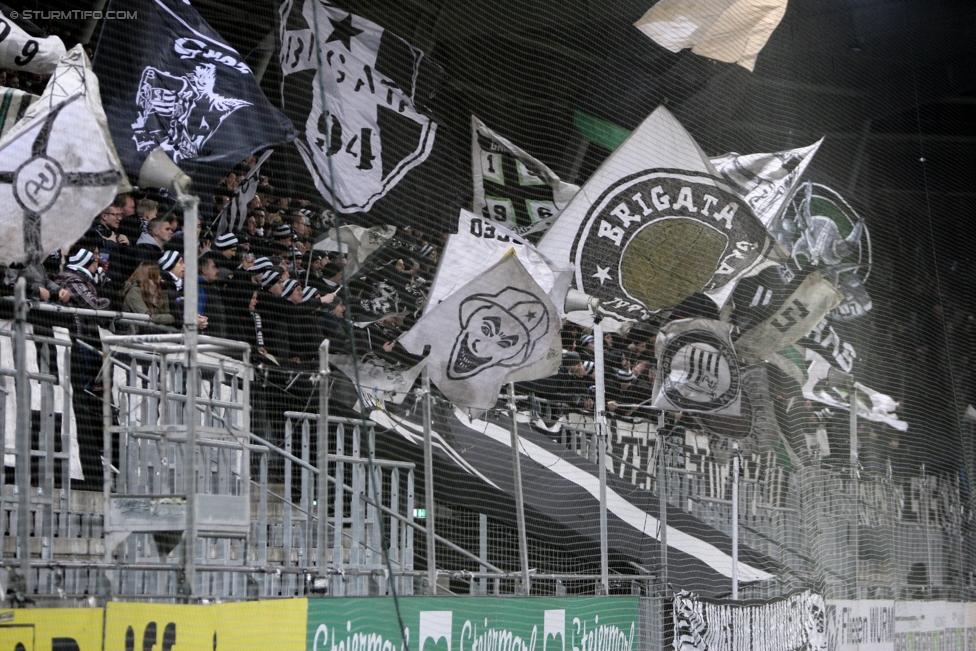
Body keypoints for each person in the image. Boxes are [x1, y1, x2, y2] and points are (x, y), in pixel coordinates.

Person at [121, 263, 175, 329]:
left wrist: (164, 291)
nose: (160, 277)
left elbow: (169, 315)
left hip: (154, 331)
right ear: (150, 276)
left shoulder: (157, 291)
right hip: (134, 334)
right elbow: (146, 317)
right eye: (158, 275)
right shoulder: (134, 291)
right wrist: (168, 318)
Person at [198, 253, 227, 338]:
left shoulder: (212, 289)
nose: (217, 271)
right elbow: (199, 315)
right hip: (208, 341)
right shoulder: (199, 288)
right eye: (213, 267)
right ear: (204, 270)